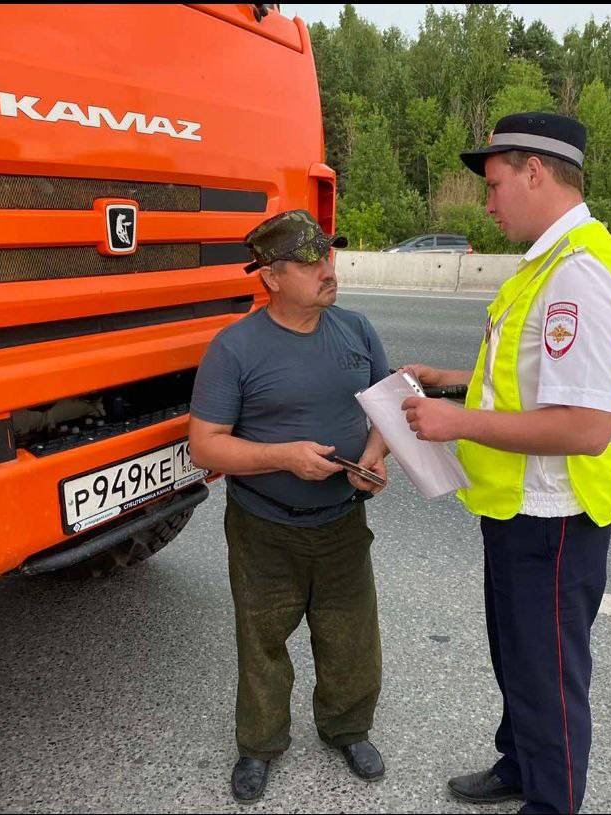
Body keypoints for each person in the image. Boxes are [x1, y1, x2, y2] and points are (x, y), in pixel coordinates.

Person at [401, 112, 611, 814]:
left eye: (495, 182)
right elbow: (525, 383)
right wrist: (448, 380)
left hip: (553, 518)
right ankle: (519, 762)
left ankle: (551, 799)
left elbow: (586, 425)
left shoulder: (579, 276)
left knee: (548, 678)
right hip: (515, 507)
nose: (488, 200)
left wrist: (456, 420)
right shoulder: (544, 265)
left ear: (536, 171)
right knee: (517, 659)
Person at [188, 209, 390, 804]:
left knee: (351, 636)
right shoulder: (235, 348)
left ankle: (348, 729)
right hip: (264, 528)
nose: (329, 269)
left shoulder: (356, 329)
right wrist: (284, 458)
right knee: (262, 640)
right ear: (271, 278)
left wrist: (375, 458)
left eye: (329, 255)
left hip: (342, 522)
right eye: (311, 261)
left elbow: (385, 408)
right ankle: (259, 745)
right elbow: (205, 445)